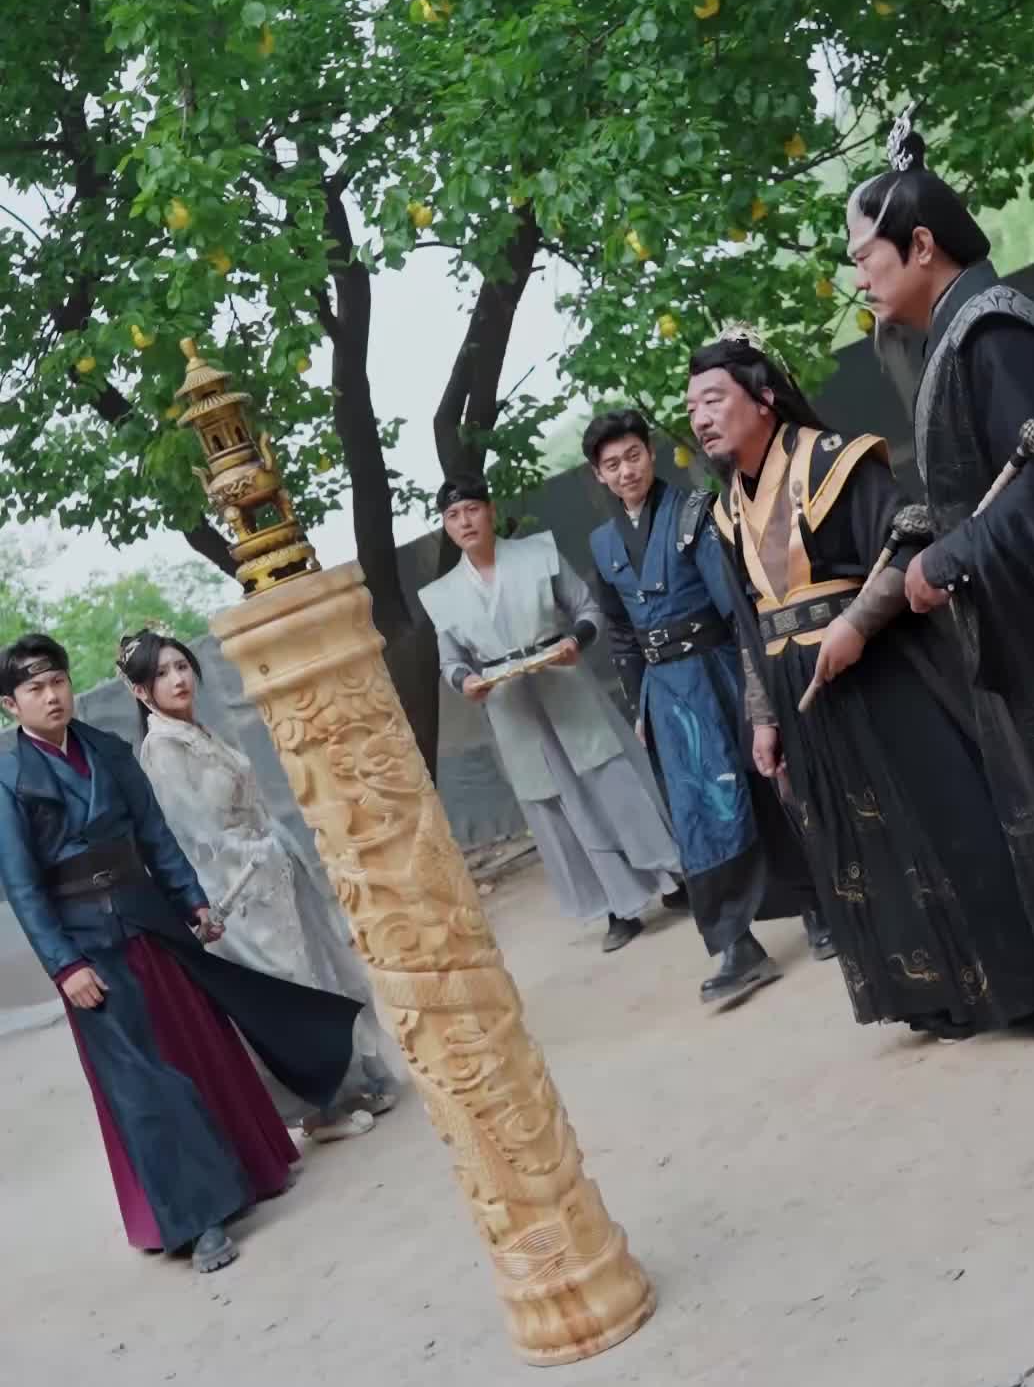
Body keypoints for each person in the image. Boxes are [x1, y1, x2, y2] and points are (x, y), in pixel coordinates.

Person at [687, 334, 1034, 1041]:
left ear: (763, 399)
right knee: (863, 848)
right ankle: (935, 998)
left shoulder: (833, 460)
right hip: (802, 695)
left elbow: (911, 537)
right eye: (692, 407)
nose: (700, 418)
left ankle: (1023, 988)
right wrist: (764, 717)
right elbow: (749, 620)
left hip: (880, 675)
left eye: (713, 399)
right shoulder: (726, 509)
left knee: (943, 824)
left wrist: (856, 622)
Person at [0, 633, 361, 1273]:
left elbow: (155, 836)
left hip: (150, 918)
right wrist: (65, 965)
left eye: (57, 681)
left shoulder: (108, 750)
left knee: (198, 1047)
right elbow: (23, 888)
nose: (52, 696)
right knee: (142, 1083)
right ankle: (198, 1219)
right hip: (87, 947)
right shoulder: (8, 779)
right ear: (11, 705)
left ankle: (252, 1168)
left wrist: (191, 900)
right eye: (35, 688)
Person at [848, 117, 1034, 1042]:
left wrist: (953, 556)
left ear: (921, 246)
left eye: (864, 256)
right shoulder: (949, 336)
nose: (858, 277)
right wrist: (927, 536)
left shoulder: (996, 327)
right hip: (1007, 620)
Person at [583, 408, 832, 1008]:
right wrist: (638, 704)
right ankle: (735, 944)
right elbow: (621, 634)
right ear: (599, 475)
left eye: (633, 456)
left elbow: (736, 609)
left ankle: (821, 908)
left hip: (719, 673)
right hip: (665, 694)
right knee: (697, 816)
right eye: (612, 465)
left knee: (763, 786)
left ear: (650, 454)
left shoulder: (695, 513)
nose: (626, 471)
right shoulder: (603, 543)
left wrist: (756, 688)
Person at [116, 625, 400, 1135]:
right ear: (141, 691)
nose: (178, 679)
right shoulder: (163, 748)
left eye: (182, 667)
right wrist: (257, 853)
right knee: (286, 992)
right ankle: (318, 1111)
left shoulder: (196, 731)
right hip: (237, 891)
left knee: (321, 974)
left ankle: (347, 1086)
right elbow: (197, 836)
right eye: (161, 674)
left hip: (270, 874)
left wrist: (274, 849)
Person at [418, 474, 685, 953]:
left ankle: (672, 877)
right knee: (561, 803)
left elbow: (588, 610)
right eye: (453, 516)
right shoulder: (443, 594)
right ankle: (616, 906)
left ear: (490, 511)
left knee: (613, 780)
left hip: (563, 681)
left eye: (472, 509)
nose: (464, 521)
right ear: (446, 526)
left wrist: (574, 642)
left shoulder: (537, 553)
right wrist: (467, 682)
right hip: (510, 706)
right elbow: (451, 662)